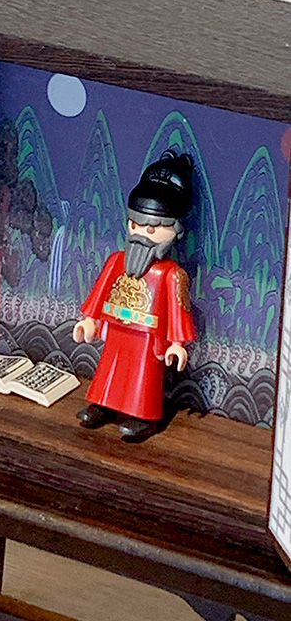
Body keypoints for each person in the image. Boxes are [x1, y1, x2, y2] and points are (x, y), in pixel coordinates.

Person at [73, 150, 196, 437]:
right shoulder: (117, 261)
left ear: (175, 230)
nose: (141, 233)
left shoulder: (170, 274)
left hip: (148, 336)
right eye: (135, 224)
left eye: (151, 227)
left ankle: (142, 416)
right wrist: (89, 320)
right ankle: (101, 405)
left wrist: (177, 344)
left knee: (143, 376)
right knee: (109, 368)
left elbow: (178, 309)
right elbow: (100, 292)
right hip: (115, 328)